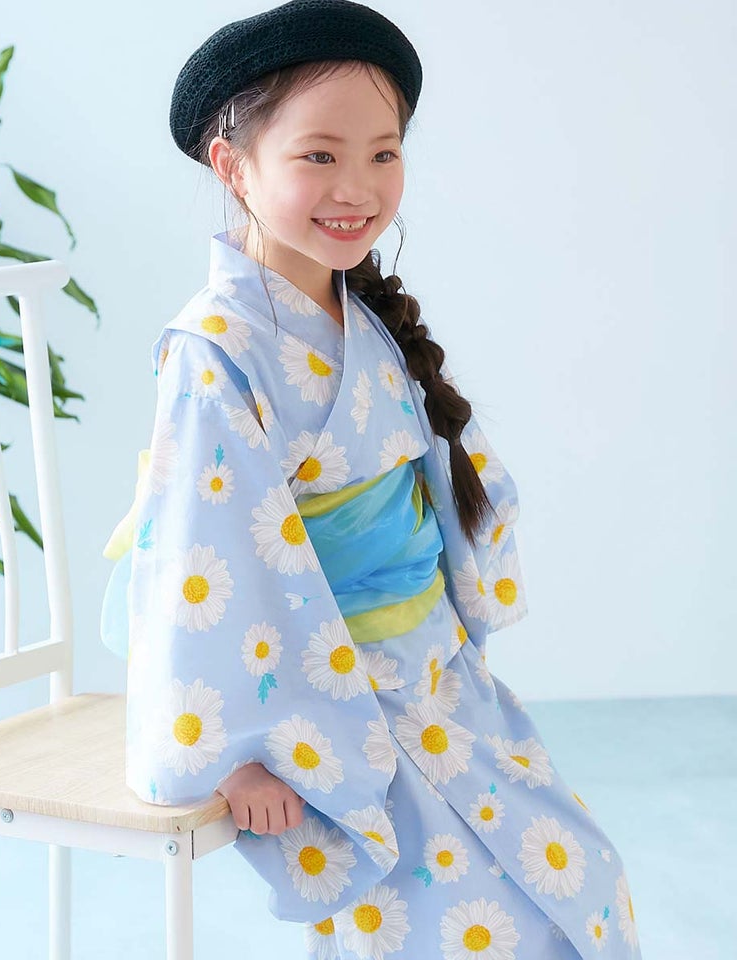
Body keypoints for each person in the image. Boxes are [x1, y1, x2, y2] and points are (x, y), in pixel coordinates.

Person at [100, 2, 644, 957]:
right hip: (334, 703)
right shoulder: (217, 348)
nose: (356, 187)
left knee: (585, 883)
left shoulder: (363, 318)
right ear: (233, 166)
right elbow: (201, 561)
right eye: (318, 155)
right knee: (461, 927)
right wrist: (234, 758)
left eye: (383, 154)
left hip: (437, 679)